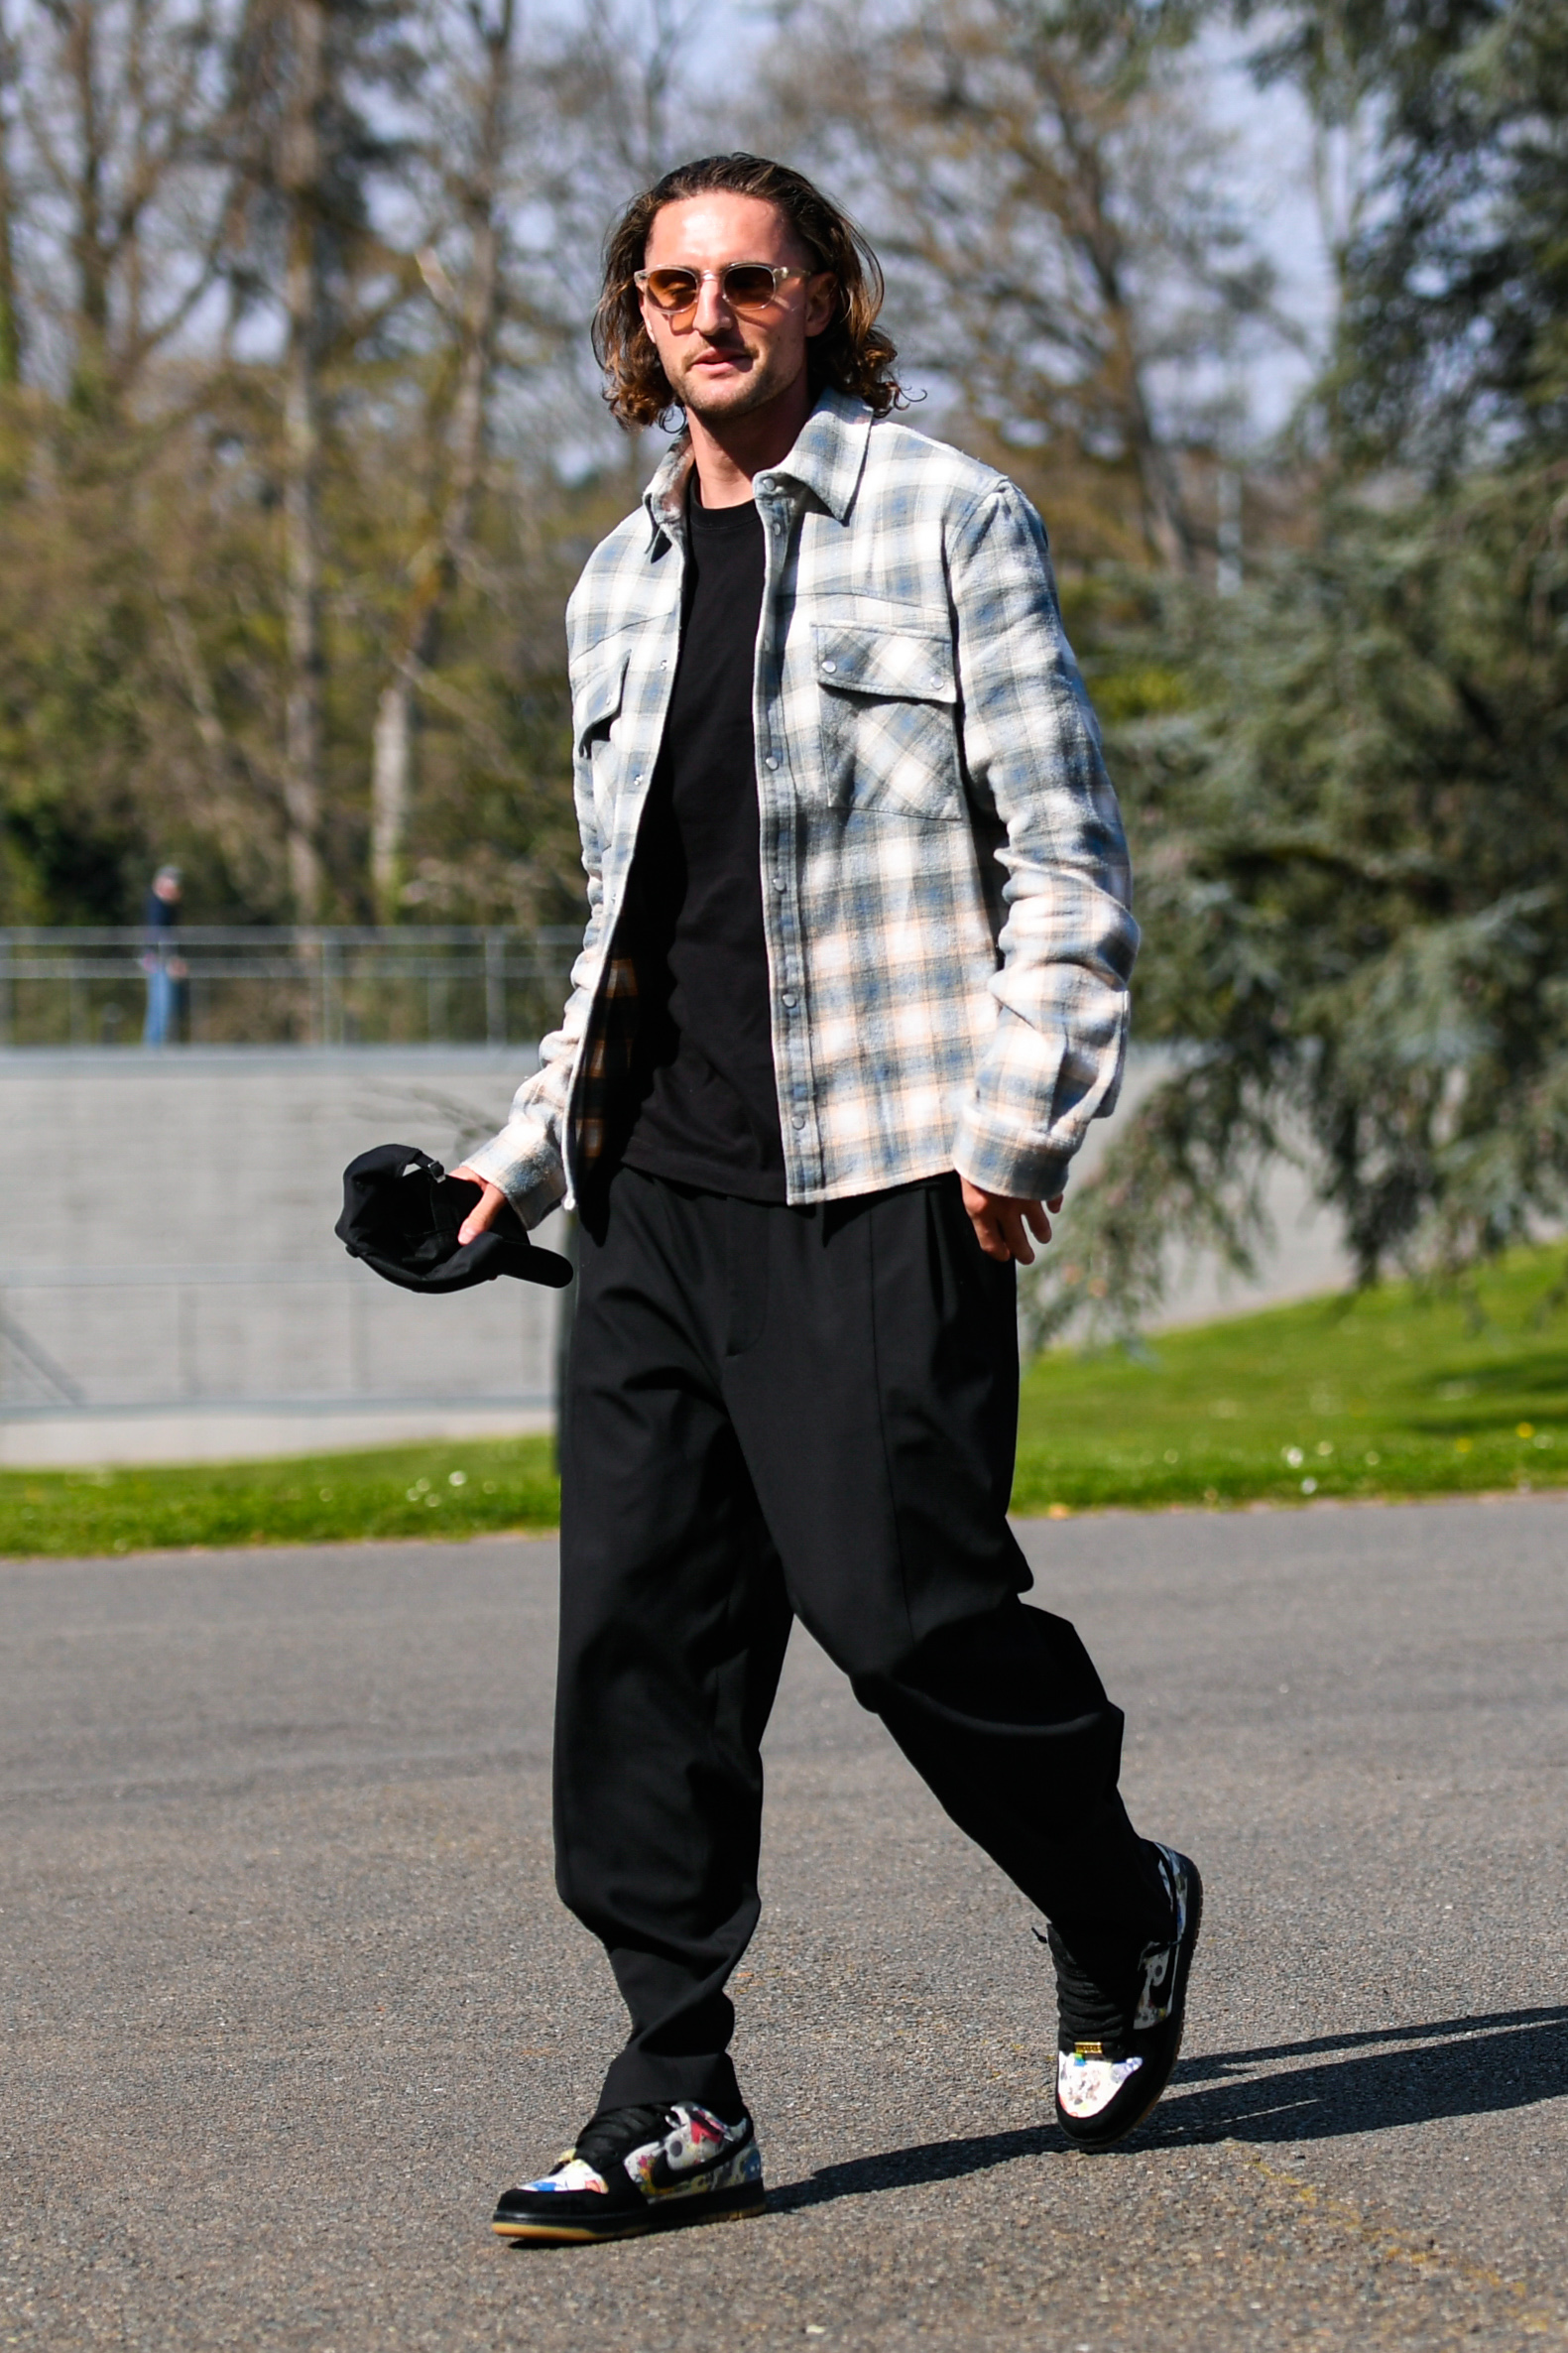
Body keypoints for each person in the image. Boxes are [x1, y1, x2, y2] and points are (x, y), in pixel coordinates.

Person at [452, 152, 1202, 2246]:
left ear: (821, 298)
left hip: (883, 1166)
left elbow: (1064, 856)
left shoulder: (945, 517)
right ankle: (674, 2087)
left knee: (909, 1614)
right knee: (641, 1651)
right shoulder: (612, 586)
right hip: (653, 1194)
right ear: (636, 318)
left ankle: (1113, 1895)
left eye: (749, 280)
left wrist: (1018, 1120)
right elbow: (620, 931)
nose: (709, 314)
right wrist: (510, 1164)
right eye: (670, 284)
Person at [141, 865, 185, 1048]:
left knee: (162, 1005)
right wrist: (173, 960)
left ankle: (156, 1046)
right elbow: (159, 937)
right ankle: (153, 1047)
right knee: (162, 1004)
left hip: (162, 960)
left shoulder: (167, 907)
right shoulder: (157, 906)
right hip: (158, 961)